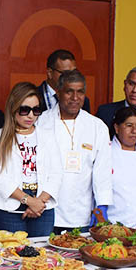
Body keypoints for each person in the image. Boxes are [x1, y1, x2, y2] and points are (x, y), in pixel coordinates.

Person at [38, 70, 111, 233]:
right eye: (69, 91)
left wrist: (102, 205)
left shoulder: (96, 126)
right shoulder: (42, 121)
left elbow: (102, 170)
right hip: (46, 209)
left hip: (82, 210)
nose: (75, 98)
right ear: (58, 92)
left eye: (80, 92)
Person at [0, 82, 61, 236]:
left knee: (41, 257)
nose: (30, 115)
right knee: (10, 256)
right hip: (10, 206)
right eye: (25, 109)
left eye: (36, 110)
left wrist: (39, 202)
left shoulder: (47, 135)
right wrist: (29, 201)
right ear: (13, 108)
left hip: (43, 206)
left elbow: (56, 173)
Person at [37, 49, 91, 114]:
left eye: (74, 72)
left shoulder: (81, 100)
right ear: (50, 73)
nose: (71, 76)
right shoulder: (34, 96)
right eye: (66, 73)